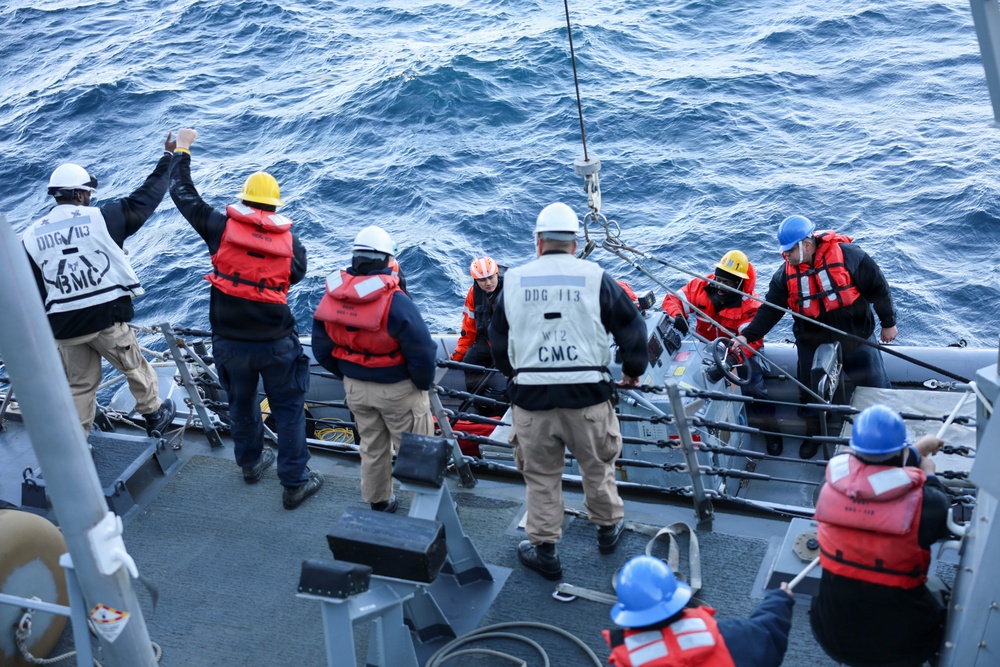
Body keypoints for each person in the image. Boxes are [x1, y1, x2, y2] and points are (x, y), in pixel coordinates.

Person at [488, 202, 648, 580]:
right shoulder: (596, 277)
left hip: (532, 402)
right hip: (588, 399)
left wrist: (517, 374)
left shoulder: (514, 281)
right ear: (574, 244)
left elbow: (497, 342)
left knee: (541, 477)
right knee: (598, 466)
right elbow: (632, 327)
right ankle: (608, 529)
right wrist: (631, 372)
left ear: (538, 242)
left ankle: (545, 551)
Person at [169, 128, 321, 510]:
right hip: (276, 344)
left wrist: (182, 150)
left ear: (243, 201)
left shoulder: (219, 229)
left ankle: (251, 465)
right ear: (274, 207)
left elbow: (183, 194)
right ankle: (295, 483)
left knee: (241, 404)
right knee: (288, 411)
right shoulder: (292, 246)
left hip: (230, 344)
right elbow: (295, 275)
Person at [22, 136, 177, 439]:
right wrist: (168, 157)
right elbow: (148, 197)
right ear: (80, 194)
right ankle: (154, 414)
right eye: (88, 193)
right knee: (133, 365)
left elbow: (32, 287)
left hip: (65, 327)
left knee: (80, 385)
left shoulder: (30, 236)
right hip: (104, 319)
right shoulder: (102, 218)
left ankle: (78, 441)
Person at [735, 215, 898, 459]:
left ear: (807, 245)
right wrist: (747, 336)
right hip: (812, 344)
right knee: (811, 395)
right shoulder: (784, 276)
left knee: (876, 388)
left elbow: (878, 288)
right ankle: (814, 435)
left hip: (857, 339)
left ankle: (888, 434)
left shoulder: (851, 257)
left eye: (789, 250)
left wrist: (889, 323)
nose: (785, 256)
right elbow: (771, 310)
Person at [810, 404, 952, 667]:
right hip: (903, 645)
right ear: (899, 451)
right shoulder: (928, 504)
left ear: (854, 451)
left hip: (832, 634)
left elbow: (868, 483)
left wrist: (914, 450)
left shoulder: (825, 490)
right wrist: (930, 475)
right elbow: (942, 521)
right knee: (941, 589)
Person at [312, 225, 437, 514]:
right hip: (398, 390)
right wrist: (419, 384)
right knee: (415, 450)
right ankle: (424, 507)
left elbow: (321, 349)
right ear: (388, 261)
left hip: (355, 389)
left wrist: (349, 375)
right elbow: (422, 351)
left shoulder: (332, 297)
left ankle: (379, 502)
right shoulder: (396, 302)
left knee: (371, 446)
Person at [662, 250, 783, 455]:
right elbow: (673, 300)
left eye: (726, 282)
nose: (719, 286)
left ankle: (772, 432)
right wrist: (678, 316)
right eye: (718, 279)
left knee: (754, 387)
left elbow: (751, 338)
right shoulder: (699, 287)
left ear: (738, 284)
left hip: (741, 353)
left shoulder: (751, 305)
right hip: (705, 348)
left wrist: (734, 357)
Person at [604, 555, 795, 667]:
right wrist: (780, 599)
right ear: (678, 596)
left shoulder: (623, 661)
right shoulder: (733, 637)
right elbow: (766, 630)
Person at [450, 256, 504, 397]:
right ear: (475, 280)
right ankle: (480, 403)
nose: (488, 283)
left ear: (497, 274)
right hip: (488, 341)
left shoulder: (514, 287)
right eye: (482, 280)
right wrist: (458, 354)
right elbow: (469, 328)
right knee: (470, 359)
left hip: (513, 343)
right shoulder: (473, 294)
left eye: (491, 277)